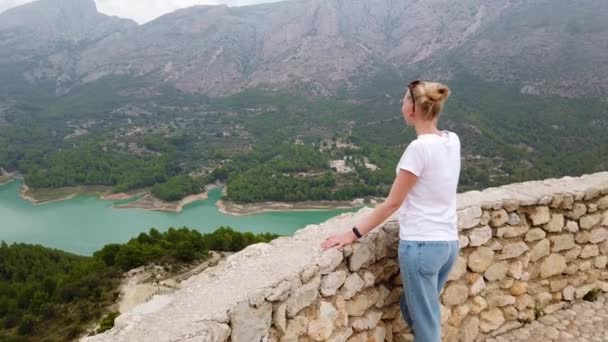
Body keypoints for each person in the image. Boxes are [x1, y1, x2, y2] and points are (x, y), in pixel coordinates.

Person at [321, 80, 460, 342]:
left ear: (412, 110)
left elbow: (392, 204)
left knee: (427, 326)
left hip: (421, 246)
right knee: (415, 309)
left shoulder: (418, 149)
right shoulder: (452, 140)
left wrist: (351, 234)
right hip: (449, 245)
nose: (401, 106)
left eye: (403, 101)